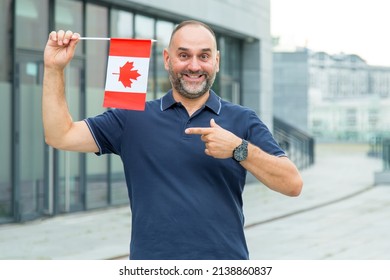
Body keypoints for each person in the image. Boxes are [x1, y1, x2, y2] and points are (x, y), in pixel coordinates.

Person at [43, 20, 303, 260]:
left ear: (217, 61)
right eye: (184, 55)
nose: (194, 66)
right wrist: (54, 69)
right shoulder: (132, 119)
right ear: (167, 59)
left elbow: (292, 184)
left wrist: (239, 149)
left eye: (204, 56)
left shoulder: (243, 119)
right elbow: (60, 135)